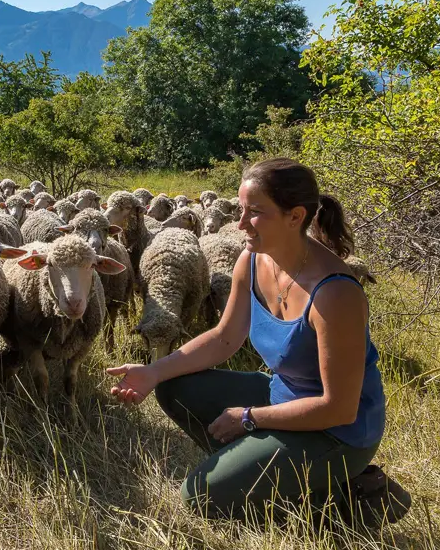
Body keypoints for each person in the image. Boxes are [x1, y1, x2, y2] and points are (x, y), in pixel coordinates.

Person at [108, 158, 410, 525]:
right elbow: (223, 338)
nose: (240, 224)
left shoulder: (335, 294)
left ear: (295, 216)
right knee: (172, 386)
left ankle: (343, 498)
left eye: (255, 212)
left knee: (199, 497)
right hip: (282, 398)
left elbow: (338, 409)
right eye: (240, 209)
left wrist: (249, 418)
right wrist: (153, 371)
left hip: (338, 434)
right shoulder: (252, 260)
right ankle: (267, 475)